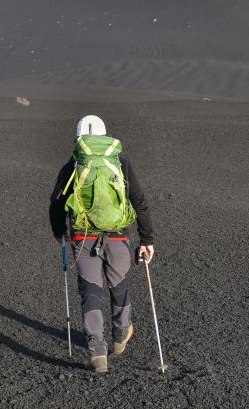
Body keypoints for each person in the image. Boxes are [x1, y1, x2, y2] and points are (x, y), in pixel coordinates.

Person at [49, 115, 155, 373]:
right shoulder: (121, 162)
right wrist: (147, 240)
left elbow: (57, 203)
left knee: (91, 289)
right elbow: (138, 201)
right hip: (118, 235)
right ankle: (120, 337)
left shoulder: (73, 165)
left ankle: (97, 349)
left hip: (82, 237)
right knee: (119, 286)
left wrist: (59, 231)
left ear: (79, 139)